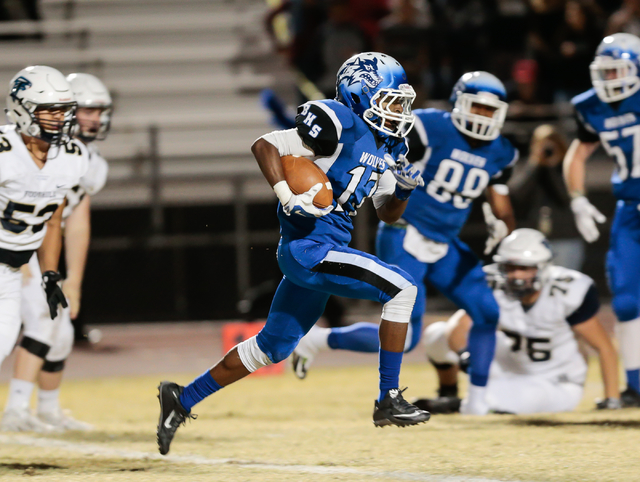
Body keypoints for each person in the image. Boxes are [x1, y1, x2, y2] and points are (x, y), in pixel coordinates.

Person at [156, 52, 430, 456]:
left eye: (400, 103)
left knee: (272, 347)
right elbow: (265, 144)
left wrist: (403, 190)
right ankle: (387, 398)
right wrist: (286, 194)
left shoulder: (387, 142)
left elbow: (386, 212)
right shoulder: (339, 119)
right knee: (402, 289)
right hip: (309, 248)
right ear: (360, 93)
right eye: (389, 101)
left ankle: (181, 398)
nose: (397, 112)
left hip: (327, 248)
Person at [292, 71, 517, 416]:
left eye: (490, 110)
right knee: (408, 335)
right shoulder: (427, 127)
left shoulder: (501, 150)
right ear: (459, 103)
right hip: (404, 232)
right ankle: (317, 340)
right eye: (477, 108)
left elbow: (500, 201)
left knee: (487, 312)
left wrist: (502, 224)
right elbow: (386, 164)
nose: (483, 117)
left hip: (445, 241)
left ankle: (478, 401)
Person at [2, 73, 111, 432]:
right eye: (86, 110)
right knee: (43, 325)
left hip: (23, 256)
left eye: (64, 110)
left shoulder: (77, 158)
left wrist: (63, 277)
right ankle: (17, 410)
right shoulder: (10, 149)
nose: (92, 119)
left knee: (47, 335)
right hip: (13, 252)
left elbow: (61, 220)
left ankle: (44, 409)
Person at [416, 229, 620, 415]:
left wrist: (612, 400)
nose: (516, 276)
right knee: (437, 335)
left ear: (543, 267)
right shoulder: (493, 283)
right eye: (510, 268)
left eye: (524, 268)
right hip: (509, 363)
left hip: (554, 381)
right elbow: (458, 326)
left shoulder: (568, 292)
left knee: (491, 397)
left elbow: (604, 348)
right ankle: (448, 392)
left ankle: (452, 406)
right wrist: (467, 358)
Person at [563, 32, 640, 407]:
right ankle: (637, 386)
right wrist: (577, 200)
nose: (610, 81)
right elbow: (577, 155)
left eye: (618, 72)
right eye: (604, 73)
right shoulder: (592, 106)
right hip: (630, 208)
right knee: (626, 301)